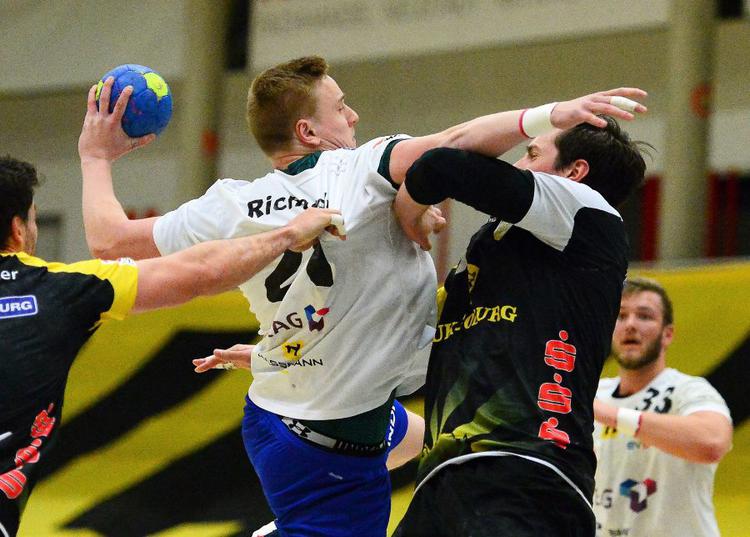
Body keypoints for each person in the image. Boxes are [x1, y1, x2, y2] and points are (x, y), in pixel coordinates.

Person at [79, 55, 647, 536]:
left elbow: (110, 241)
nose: (353, 115)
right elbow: (451, 149)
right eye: (341, 106)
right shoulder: (364, 168)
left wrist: (96, 158)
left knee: (416, 438)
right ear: (309, 132)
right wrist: (543, 116)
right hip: (337, 437)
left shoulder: (228, 204)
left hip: (288, 411)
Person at [0, 155, 341, 537]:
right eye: (33, 219)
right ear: (17, 230)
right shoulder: (60, 289)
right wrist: (288, 235)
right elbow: (198, 272)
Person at [393, 114, 650, 536]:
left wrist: (408, 210)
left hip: (529, 477)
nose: (516, 165)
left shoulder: (587, 211)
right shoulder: (491, 253)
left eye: (531, 153)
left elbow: (440, 166)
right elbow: (411, 355)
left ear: (574, 172)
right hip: (442, 481)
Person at [592, 277, 732, 537]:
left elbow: (712, 443)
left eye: (644, 316)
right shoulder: (595, 393)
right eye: (621, 316)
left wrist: (609, 414)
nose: (630, 324)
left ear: (667, 334)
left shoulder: (689, 390)